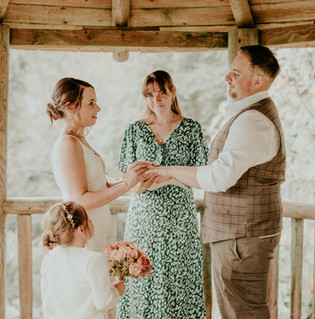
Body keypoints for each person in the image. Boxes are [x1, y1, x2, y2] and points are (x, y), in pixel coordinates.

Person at [145, 46, 286, 318]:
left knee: (243, 312)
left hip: (243, 237)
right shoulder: (248, 114)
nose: (227, 78)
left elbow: (219, 177)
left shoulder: (253, 120)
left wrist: (169, 170)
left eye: (235, 73)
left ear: (257, 81)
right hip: (239, 235)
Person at [116, 70, 209, 319]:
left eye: (161, 92)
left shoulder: (191, 129)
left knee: (179, 279)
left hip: (179, 218)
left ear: (172, 92)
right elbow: (128, 180)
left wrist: (171, 174)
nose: (155, 99)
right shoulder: (135, 131)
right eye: (149, 94)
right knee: (141, 279)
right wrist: (139, 184)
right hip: (143, 218)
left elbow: (202, 174)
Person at [46, 77, 146, 251]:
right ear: (70, 107)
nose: (98, 108)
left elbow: (100, 185)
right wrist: (127, 184)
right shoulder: (68, 144)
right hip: (83, 237)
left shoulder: (79, 139)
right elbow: (80, 200)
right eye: (91, 103)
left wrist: (131, 181)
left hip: (96, 233)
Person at [41, 201, 125, 319]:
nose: (91, 222)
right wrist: (117, 291)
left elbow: (47, 299)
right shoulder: (93, 260)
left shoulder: (49, 258)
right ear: (81, 230)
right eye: (89, 219)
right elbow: (103, 302)